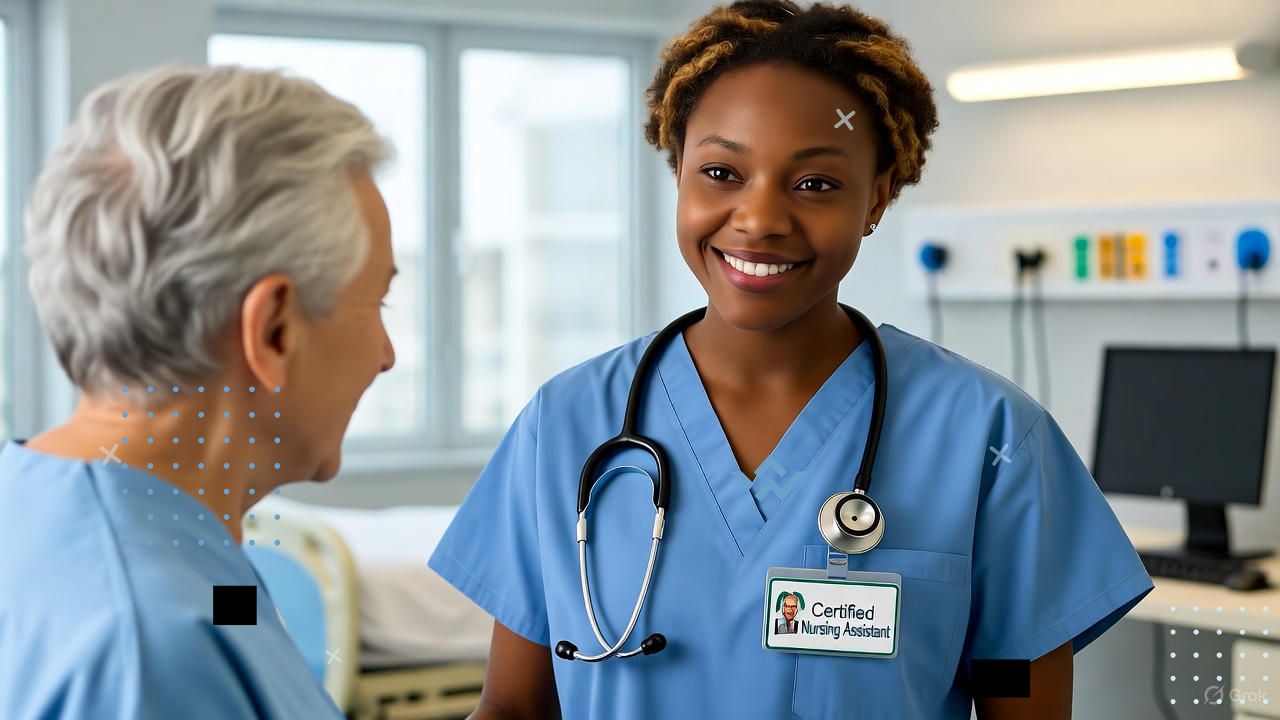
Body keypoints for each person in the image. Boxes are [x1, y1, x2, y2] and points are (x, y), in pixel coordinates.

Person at [429, 1, 1153, 718]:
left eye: (815, 185)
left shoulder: (989, 441)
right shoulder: (563, 425)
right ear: (677, 170)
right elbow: (514, 708)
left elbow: (1014, 697)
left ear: (879, 197)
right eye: (721, 172)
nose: (761, 219)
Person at [0, 65, 397, 719]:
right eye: (376, 299)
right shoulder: (146, 652)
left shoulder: (157, 543)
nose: (386, 355)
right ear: (273, 328)